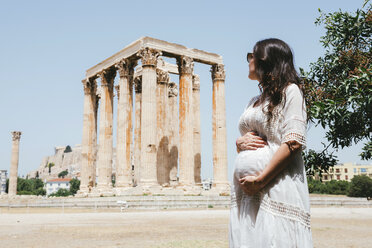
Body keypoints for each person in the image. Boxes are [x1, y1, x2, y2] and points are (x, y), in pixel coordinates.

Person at [229, 38, 314, 247]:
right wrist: (239, 143)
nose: (248, 61)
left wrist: (260, 180)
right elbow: (257, 137)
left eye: (251, 56)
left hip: (274, 186)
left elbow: (293, 142)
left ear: (264, 60)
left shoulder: (291, 91)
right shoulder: (254, 101)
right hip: (247, 194)